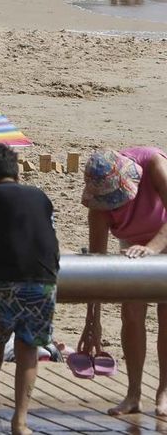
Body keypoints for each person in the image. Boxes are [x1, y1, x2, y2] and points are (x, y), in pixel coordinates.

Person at [0, 144, 59, 435]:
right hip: (44, 279)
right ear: (16, 174)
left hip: (3, 279)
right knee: (29, 346)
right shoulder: (41, 197)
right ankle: (20, 420)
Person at [81, 147, 167, 416]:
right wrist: (92, 321)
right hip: (133, 247)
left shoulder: (154, 165)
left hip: (163, 235)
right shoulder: (99, 204)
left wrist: (152, 249)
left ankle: (165, 391)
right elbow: (96, 265)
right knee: (131, 315)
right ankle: (133, 394)